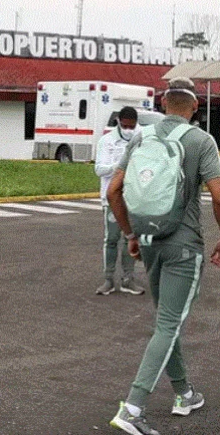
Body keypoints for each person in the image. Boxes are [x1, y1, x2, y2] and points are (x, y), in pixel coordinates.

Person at [107, 77, 220, 435]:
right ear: (195, 108)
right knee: (168, 324)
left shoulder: (141, 138)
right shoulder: (200, 140)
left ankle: (183, 393)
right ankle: (133, 407)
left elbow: (115, 190)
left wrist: (131, 234)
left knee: (167, 320)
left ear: (163, 105)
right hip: (183, 244)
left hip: (148, 240)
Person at [95, 106, 145, 296]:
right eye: (125, 126)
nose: (128, 130)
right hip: (112, 199)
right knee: (111, 239)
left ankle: (128, 279)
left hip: (133, 198)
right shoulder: (106, 141)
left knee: (130, 238)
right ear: (118, 122)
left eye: (132, 126)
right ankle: (108, 279)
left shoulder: (141, 138)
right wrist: (121, 165)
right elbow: (99, 169)